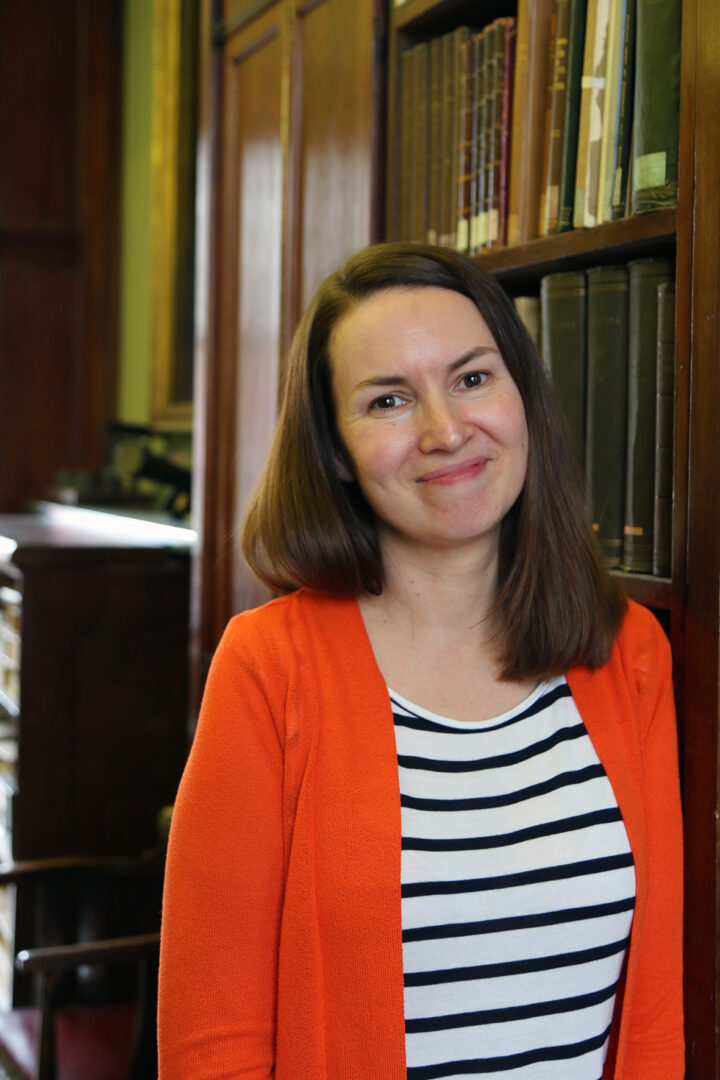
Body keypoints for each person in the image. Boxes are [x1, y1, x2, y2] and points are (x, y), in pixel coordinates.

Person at [158, 243, 684, 1080]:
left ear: (523, 396)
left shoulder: (630, 654)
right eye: (390, 400)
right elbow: (210, 1044)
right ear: (336, 452)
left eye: (473, 378)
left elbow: (652, 1017)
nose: (445, 431)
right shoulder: (267, 668)